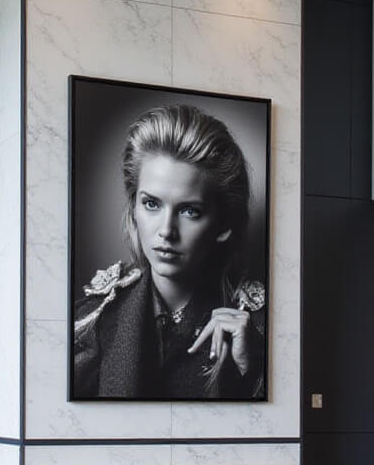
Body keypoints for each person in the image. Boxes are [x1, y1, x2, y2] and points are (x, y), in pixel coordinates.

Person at [71, 102, 266, 400]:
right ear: (134, 208)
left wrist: (250, 367)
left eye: (189, 211)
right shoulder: (89, 324)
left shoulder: (261, 330)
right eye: (151, 204)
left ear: (223, 224)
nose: (166, 231)